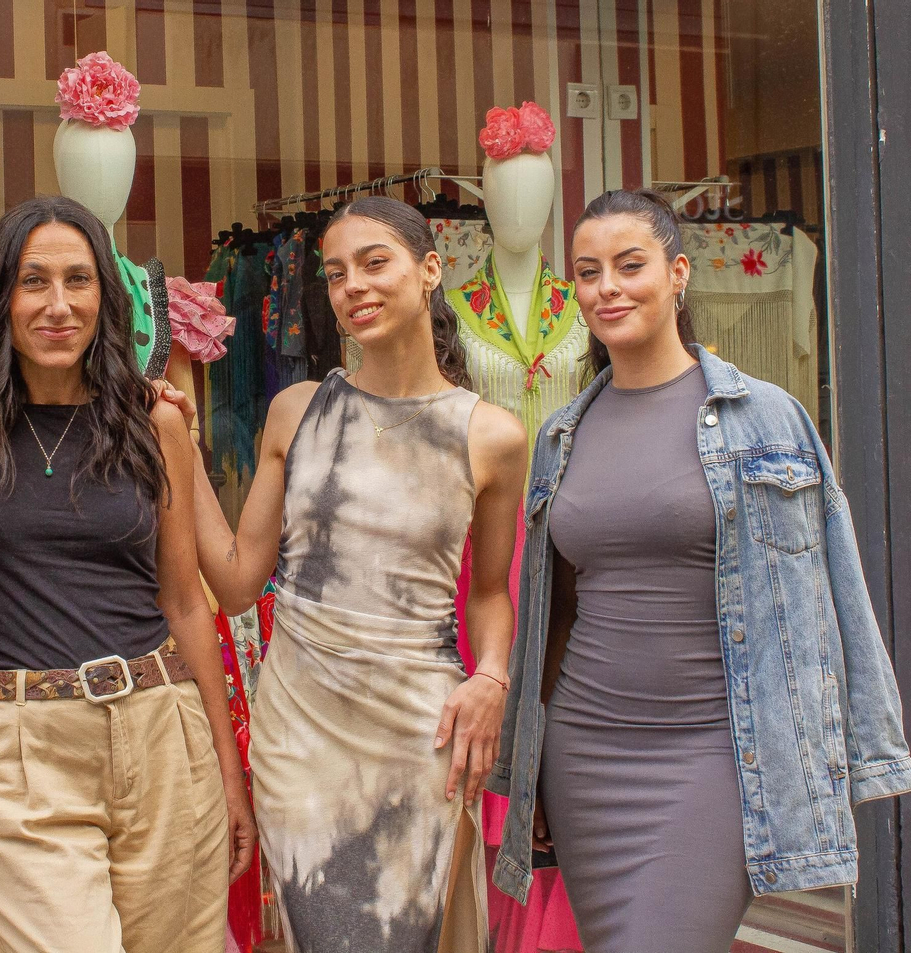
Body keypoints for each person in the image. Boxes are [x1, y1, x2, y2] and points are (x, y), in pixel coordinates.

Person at [488, 190, 911, 953]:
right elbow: (556, 612)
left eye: (630, 265)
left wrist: (863, 744)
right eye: (588, 272)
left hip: (716, 754)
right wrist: (533, 760)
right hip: (585, 754)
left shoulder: (768, 417)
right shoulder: (559, 436)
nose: (607, 288)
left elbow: (835, 593)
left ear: (678, 273)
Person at [0, 194, 255, 953]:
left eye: (78, 280)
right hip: (19, 748)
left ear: (105, 297)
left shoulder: (154, 422)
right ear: (0, 298)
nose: (58, 305)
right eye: (34, 281)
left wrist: (228, 771)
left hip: (163, 734)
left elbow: (186, 603)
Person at [175, 195, 527, 952]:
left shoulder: (492, 435)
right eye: (336, 274)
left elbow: (490, 592)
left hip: (421, 736)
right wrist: (180, 442)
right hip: (300, 737)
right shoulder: (297, 411)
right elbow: (235, 583)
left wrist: (493, 676)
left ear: (430, 269)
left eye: (374, 263)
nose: (353, 286)